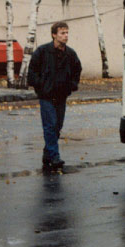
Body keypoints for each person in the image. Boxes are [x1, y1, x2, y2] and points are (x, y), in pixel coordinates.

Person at [27, 22, 82, 171]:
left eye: (67, 33)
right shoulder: (43, 51)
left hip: (61, 95)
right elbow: (32, 71)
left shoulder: (70, 54)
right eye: (62, 33)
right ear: (54, 35)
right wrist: (41, 85)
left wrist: (72, 85)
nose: (66, 36)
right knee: (50, 125)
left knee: (57, 126)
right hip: (46, 96)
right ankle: (55, 156)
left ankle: (47, 154)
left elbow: (77, 70)